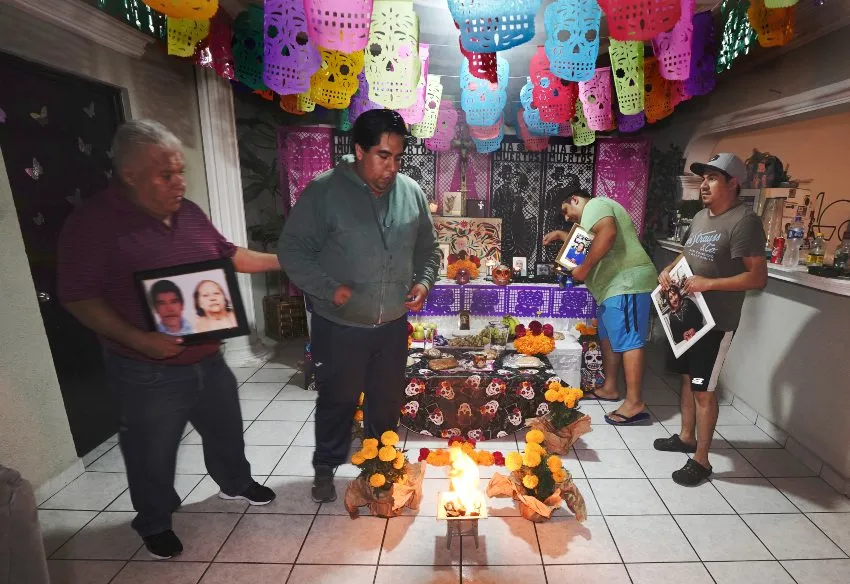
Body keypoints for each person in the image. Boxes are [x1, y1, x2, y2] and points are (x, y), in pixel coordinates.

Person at [57, 119, 282, 560]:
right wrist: (138, 339)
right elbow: (78, 297)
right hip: (146, 369)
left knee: (226, 432)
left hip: (207, 357)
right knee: (151, 452)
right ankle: (154, 520)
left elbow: (231, 256)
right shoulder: (93, 224)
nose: (180, 182)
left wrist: (286, 260)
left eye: (180, 171)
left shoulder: (189, 212)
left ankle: (234, 483)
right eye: (167, 174)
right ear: (130, 174)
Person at [277, 109, 440, 504]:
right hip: (340, 324)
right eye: (383, 155)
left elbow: (429, 250)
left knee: (385, 404)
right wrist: (328, 289)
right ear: (359, 149)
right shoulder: (325, 191)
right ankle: (325, 466)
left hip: (391, 326)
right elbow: (292, 252)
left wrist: (423, 281)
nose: (391, 167)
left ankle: (379, 469)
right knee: (337, 400)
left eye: (398, 157)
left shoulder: (411, 193)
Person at [655, 153, 767, 486]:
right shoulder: (703, 217)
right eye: (703, 178)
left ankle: (701, 460)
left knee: (705, 389)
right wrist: (668, 270)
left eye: (713, 178)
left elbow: (757, 277)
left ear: (733, 183)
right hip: (689, 313)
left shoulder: (745, 222)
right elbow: (688, 254)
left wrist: (710, 284)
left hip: (717, 321)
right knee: (688, 378)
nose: (704, 185)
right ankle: (686, 437)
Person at [542, 190, 657, 425]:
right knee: (608, 337)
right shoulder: (589, 219)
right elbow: (586, 242)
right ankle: (610, 388)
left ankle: (634, 402)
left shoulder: (595, 205)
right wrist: (562, 235)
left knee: (629, 340)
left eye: (566, 211)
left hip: (627, 282)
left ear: (575, 199)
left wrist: (582, 270)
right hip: (610, 288)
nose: (567, 218)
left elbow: (608, 233)